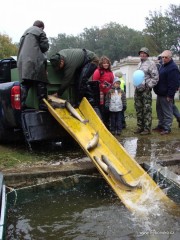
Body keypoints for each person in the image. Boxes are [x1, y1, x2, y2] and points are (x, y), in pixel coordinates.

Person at [17, 20, 49, 110]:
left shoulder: (25, 33)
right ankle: (42, 104)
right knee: (41, 81)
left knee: (26, 83)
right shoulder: (40, 31)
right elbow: (44, 47)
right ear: (41, 27)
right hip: (35, 60)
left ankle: (21, 104)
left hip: (23, 61)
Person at [153, 50, 180, 134]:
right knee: (159, 110)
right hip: (160, 93)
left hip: (166, 94)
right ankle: (161, 125)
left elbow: (173, 83)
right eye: (162, 57)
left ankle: (167, 128)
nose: (164, 59)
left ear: (170, 57)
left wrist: (170, 95)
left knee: (167, 112)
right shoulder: (162, 65)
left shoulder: (173, 68)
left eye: (166, 57)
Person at [134, 47, 159, 135]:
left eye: (144, 53)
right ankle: (140, 127)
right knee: (138, 108)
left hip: (146, 90)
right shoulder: (139, 64)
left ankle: (147, 128)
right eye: (141, 53)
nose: (142, 54)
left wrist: (148, 86)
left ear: (147, 54)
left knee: (146, 109)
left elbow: (155, 77)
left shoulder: (151, 63)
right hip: (138, 89)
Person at [92, 56, 114, 128]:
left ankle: (108, 124)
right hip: (100, 94)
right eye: (104, 63)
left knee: (108, 109)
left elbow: (112, 82)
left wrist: (111, 87)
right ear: (101, 64)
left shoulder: (110, 72)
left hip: (108, 94)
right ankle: (103, 124)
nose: (106, 64)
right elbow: (94, 83)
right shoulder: (98, 71)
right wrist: (102, 85)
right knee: (102, 110)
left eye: (107, 63)